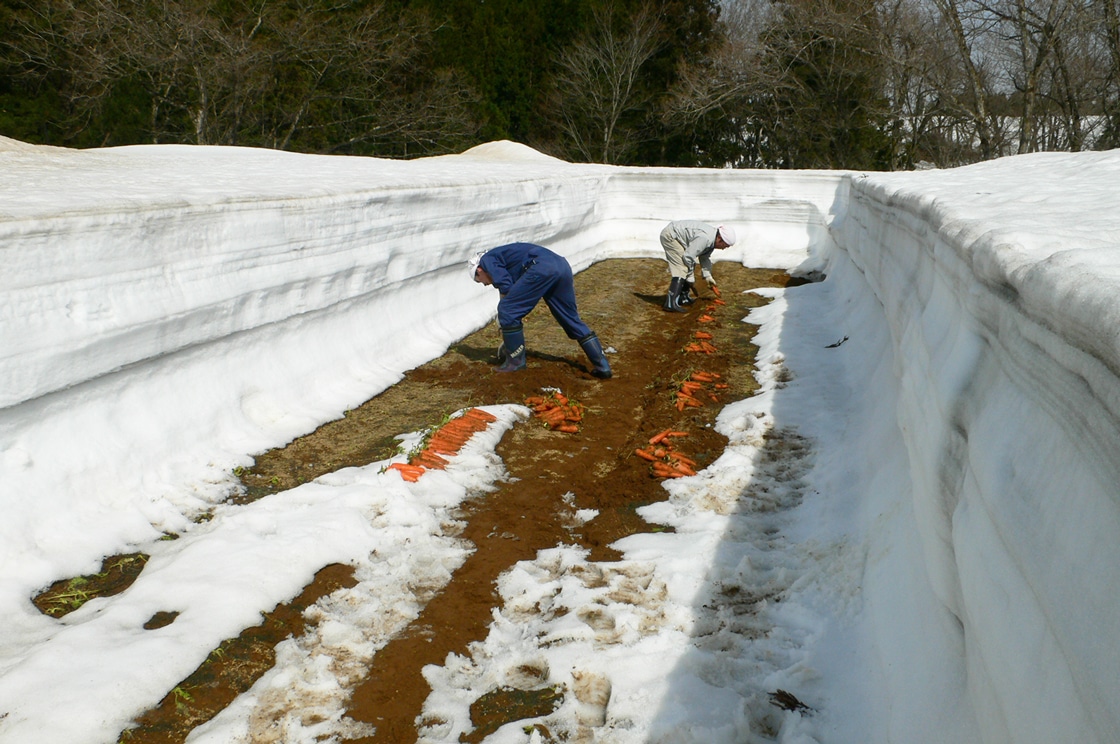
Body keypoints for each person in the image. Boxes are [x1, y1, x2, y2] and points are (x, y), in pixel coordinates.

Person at [468, 242, 612, 378]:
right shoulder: (503, 258)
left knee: (508, 310)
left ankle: (515, 363)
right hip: (561, 265)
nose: (484, 284)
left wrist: (506, 317)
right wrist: (506, 318)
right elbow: (509, 289)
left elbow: (505, 286)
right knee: (569, 318)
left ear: (479, 269)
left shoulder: (487, 259)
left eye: (478, 280)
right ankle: (602, 367)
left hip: (541, 267)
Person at [658, 221, 736, 312]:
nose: (723, 249)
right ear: (719, 238)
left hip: (677, 236)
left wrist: (708, 276)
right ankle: (671, 303)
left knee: (688, 265)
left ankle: (683, 297)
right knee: (682, 267)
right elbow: (688, 257)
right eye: (725, 246)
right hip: (670, 236)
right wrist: (690, 276)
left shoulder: (712, 240)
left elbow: (704, 257)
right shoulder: (705, 238)